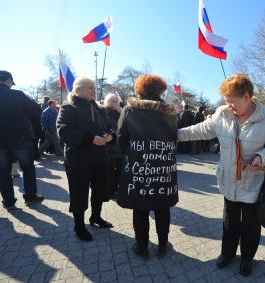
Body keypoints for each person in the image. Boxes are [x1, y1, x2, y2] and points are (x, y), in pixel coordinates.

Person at [178, 74, 265, 276]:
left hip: (253, 184)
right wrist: (173, 134)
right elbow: (201, 130)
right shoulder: (222, 113)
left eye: (232, 101)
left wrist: (261, 158)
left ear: (247, 97)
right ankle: (226, 254)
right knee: (230, 222)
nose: (228, 106)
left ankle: (247, 259)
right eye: (226, 101)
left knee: (251, 225)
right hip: (228, 180)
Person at [117, 74, 178, 258]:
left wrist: (127, 155)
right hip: (163, 168)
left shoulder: (130, 110)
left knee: (140, 208)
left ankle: (142, 247)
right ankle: (163, 245)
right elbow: (175, 138)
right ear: (161, 90)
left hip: (139, 167)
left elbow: (121, 138)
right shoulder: (171, 113)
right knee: (162, 207)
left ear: (140, 90)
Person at [57, 77, 114, 241]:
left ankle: (95, 217)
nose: (93, 90)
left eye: (94, 87)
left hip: (101, 158)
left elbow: (109, 127)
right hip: (78, 160)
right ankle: (79, 226)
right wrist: (90, 139)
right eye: (90, 87)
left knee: (100, 190)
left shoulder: (99, 108)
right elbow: (63, 131)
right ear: (78, 89)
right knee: (79, 193)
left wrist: (110, 135)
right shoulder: (68, 108)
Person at [0, 70, 44, 210]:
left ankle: (9, 201)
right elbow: (36, 109)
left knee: (3, 170)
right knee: (28, 167)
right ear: (9, 80)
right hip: (20, 137)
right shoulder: (17, 94)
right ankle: (30, 197)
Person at [103, 93, 123, 198]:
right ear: (107, 102)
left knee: (120, 169)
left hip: (120, 147)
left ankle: (116, 188)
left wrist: (122, 112)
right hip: (109, 146)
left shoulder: (121, 112)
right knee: (110, 170)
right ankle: (110, 190)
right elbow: (110, 127)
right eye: (112, 101)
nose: (115, 103)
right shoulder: (104, 111)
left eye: (116, 101)